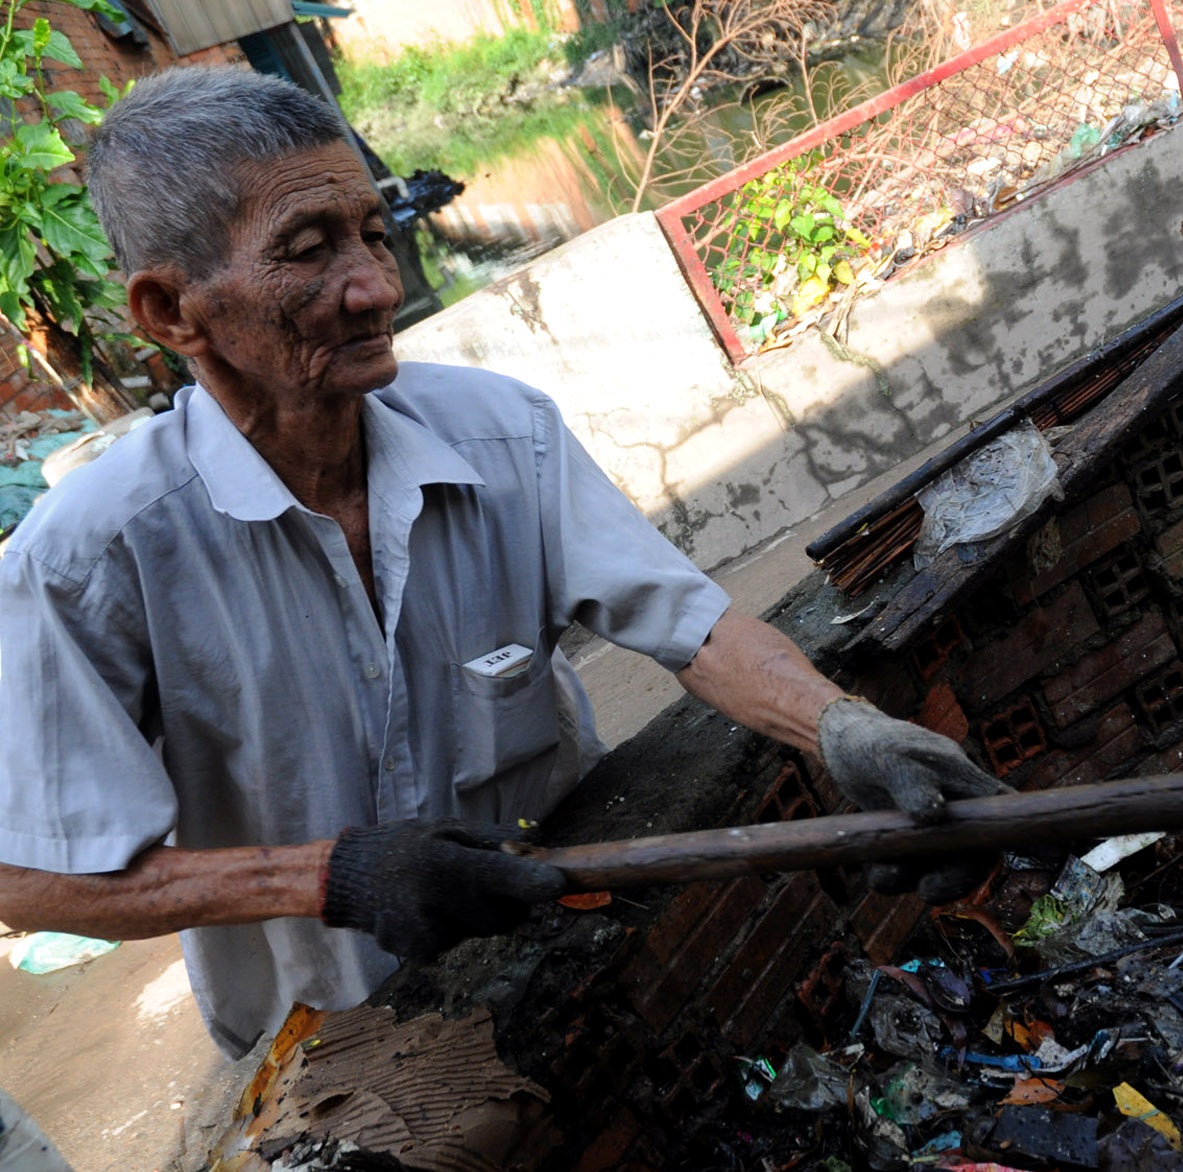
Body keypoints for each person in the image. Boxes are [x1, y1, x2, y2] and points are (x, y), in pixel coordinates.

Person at [0, 67, 1004, 1059]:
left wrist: (839, 726)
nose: (375, 287)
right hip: (330, 1043)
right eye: (308, 253)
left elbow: (687, 624)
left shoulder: (499, 433)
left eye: (374, 234)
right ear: (172, 313)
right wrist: (331, 875)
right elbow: (28, 874)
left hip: (571, 955)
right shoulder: (91, 556)